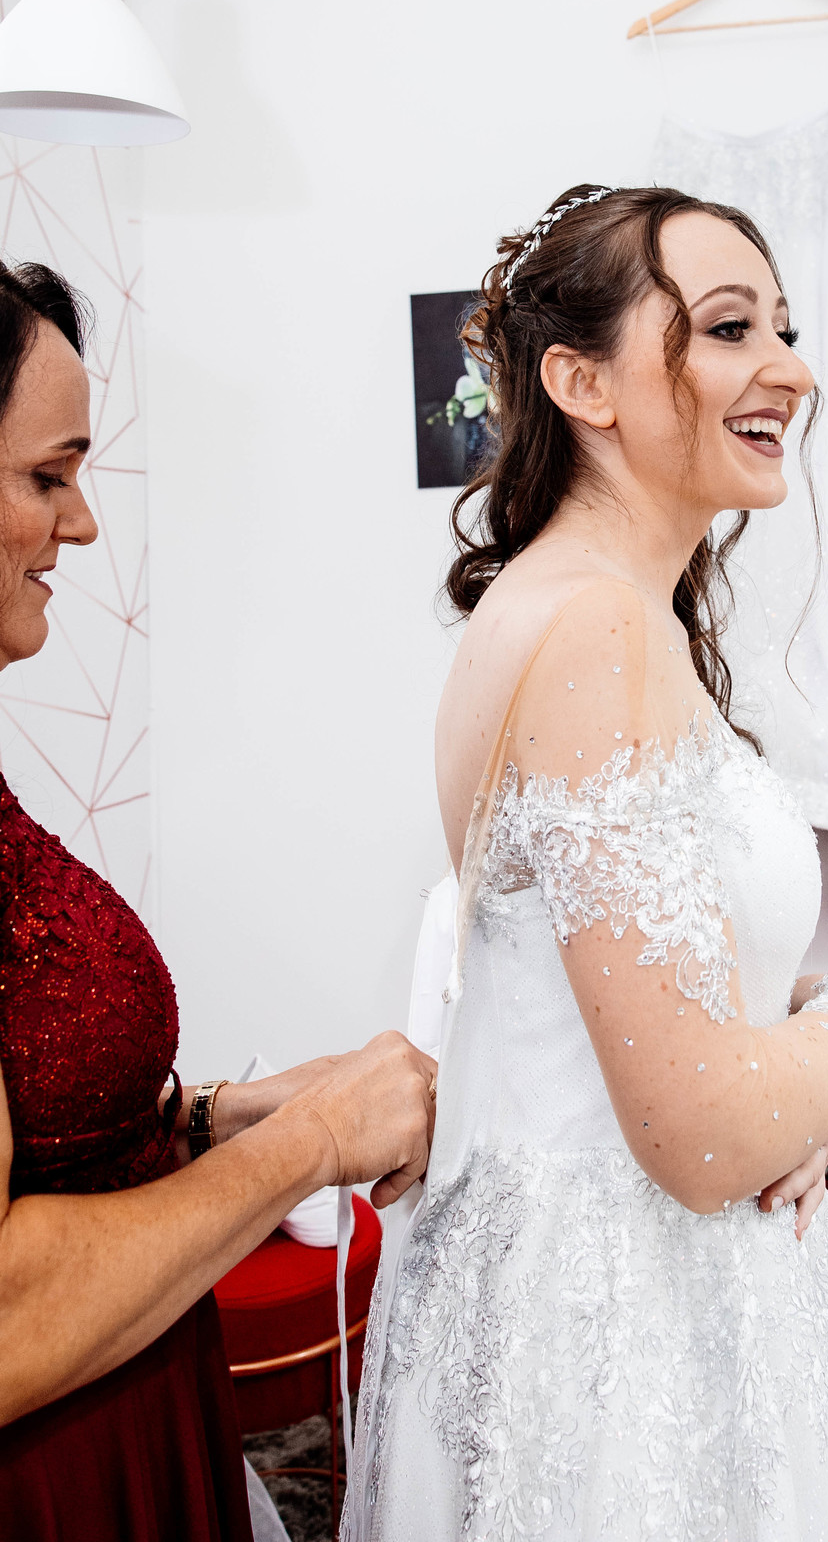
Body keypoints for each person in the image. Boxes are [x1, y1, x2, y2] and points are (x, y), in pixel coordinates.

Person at [346, 186, 828, 1539]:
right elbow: (700, 1131)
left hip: (622, 1311)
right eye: (731, 328)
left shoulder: (583, 614)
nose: (793, 367)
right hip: (627, 1354)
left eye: (784, 325)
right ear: (579, 381)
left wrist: (788, 1076)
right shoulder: (594, 632)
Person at [0, 260, 438, 1541]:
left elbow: (50, 1144)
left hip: (130, 1412)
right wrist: (314, 1147)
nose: (81, 526)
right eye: (46, 476)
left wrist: (220, 1119)